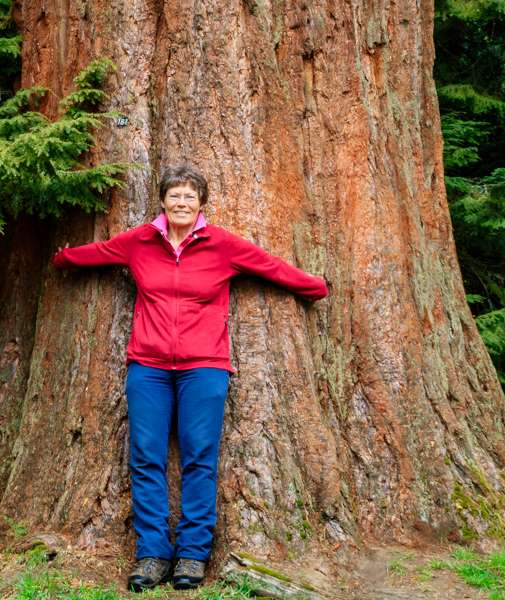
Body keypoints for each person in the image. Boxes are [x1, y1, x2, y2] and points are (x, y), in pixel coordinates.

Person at [50, 165, 329, 592]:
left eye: (190, 197)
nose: (182, 203)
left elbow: (269, 267)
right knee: (146, 457)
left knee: (200, 457)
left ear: (201, 203)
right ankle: (152, 555)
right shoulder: (140, 242)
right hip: (149, 367)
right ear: (163, 201)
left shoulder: (222, 245)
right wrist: (63, 258)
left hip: (205, 367)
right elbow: (101, 252)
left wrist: (313, 286)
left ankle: (193, 556)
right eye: (174, 196)